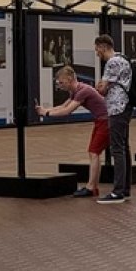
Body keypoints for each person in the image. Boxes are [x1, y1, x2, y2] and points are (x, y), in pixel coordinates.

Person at [35, 66, 109, 197]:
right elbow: (63, 106)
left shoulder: (82, 91)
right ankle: (92, 187)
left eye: (62, 82)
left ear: (69, 79)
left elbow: (67, 111)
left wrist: (46, 113)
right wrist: (45, 110)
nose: (60, 85)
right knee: (93, 153)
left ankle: (91, 188)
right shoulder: (77, 90)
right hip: (101, 121)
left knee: (94, 152)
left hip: (105, 121)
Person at [94, 34, 133, 204]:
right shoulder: (123, 58)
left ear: (103, 47)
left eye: (97, 50)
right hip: (126, 106)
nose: (97, 53)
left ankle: (118, 191)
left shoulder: (111, 63)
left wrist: (100, 86)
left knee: (117, 148)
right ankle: (125, 188)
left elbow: (102, 89)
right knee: (124, 147)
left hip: (117, 107)